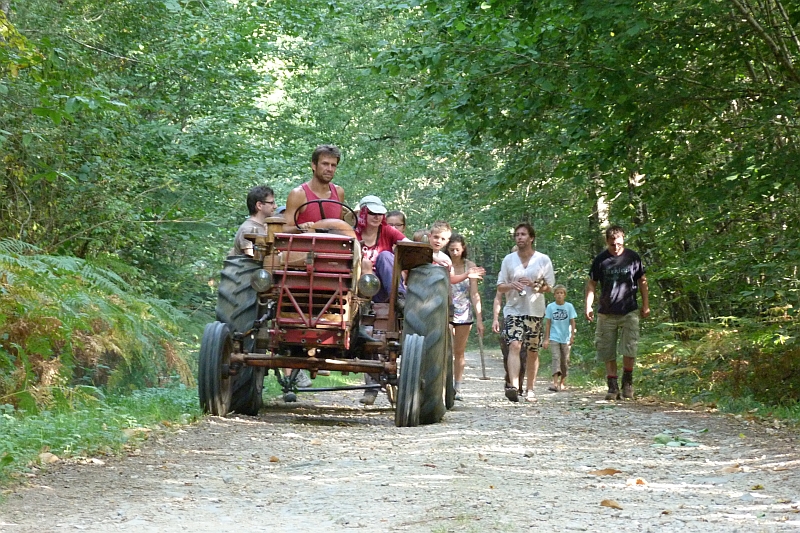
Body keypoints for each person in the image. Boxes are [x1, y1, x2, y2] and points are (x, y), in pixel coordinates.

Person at [585, 225, 650, 400]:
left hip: (629, 310)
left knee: (630, 347)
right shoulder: (600, 260)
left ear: (623, 239)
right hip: (606, 312)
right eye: (612, 244)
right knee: (607, 349)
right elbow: (592, 283)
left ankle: (627, 382)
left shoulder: (632, 257)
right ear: (607, 241)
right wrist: (588, 306)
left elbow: (642, 281)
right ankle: (612, 386)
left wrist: (646, 305)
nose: (616, 247)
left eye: (619, 243)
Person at [496, 223, 555, 402]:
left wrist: (534, 285)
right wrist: (511, 285)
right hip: (513, 309)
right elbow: (500, 286)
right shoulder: (508, 260)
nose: (519, 237)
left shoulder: (543, 260)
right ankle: (513, 386)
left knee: (532, 350)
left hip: (534, 310)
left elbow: (549, 287)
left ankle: (530, 389)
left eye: (523, 234)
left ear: (531, 238)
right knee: (514, 344)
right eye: (517, 235)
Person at [447, 234, 483, 401]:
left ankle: (457, 386)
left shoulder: (470, 266)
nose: (454, 252)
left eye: (457, 249)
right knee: (445, 349)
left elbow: (474, 293)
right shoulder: (444, 264)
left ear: (463, 249)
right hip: (446, 310)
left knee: (459, 351)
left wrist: (480, 318)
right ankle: (442, 385)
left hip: (464, 312)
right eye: (451, 249)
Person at [355, 195, 409, 304]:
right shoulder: (352, 233)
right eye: (372, 213)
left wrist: (434, 254)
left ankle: (399, 299)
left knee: (385, 255)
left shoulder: (387, 230)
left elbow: (408, 243)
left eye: (379, 214)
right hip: (357, 287)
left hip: (385, 286)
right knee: (363, 263)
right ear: (363, 213)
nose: (377, 217)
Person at [283, 145, 345, 231]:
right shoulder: (299, 194)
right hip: (305, 244)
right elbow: (283, 229)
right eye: (325, 164)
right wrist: (300, 228)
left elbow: (341, 227)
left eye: (333, 165)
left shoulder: (339, 192)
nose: (330, 169)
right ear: (314, 165)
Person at [543, 284, 577, 392]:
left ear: (564, 295)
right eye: (557, 293)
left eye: (561, 293)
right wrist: (546, 339)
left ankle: (562, 382)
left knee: (565, 360)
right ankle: (555, 383)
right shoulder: (550, 307)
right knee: (555, 358)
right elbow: (548, 323)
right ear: (554, 295)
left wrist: (572, 336)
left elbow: (572, 322)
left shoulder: (569, 307)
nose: (559, 295)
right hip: (554, 336)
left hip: (566, 337)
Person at [492, 289, 526, 394]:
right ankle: (511, 383)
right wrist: (495, 319)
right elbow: (498, 296)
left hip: (529, 316)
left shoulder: (532, 273)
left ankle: (518, 385)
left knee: (524, 354)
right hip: (510, 317)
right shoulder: (506, 274)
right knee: (509, 351)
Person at [229, 185, 277, 257]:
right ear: (259, 205)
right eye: (271, 203)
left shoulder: (265, 227)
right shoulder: (248, 229)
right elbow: (251, 261)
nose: (275, 206)